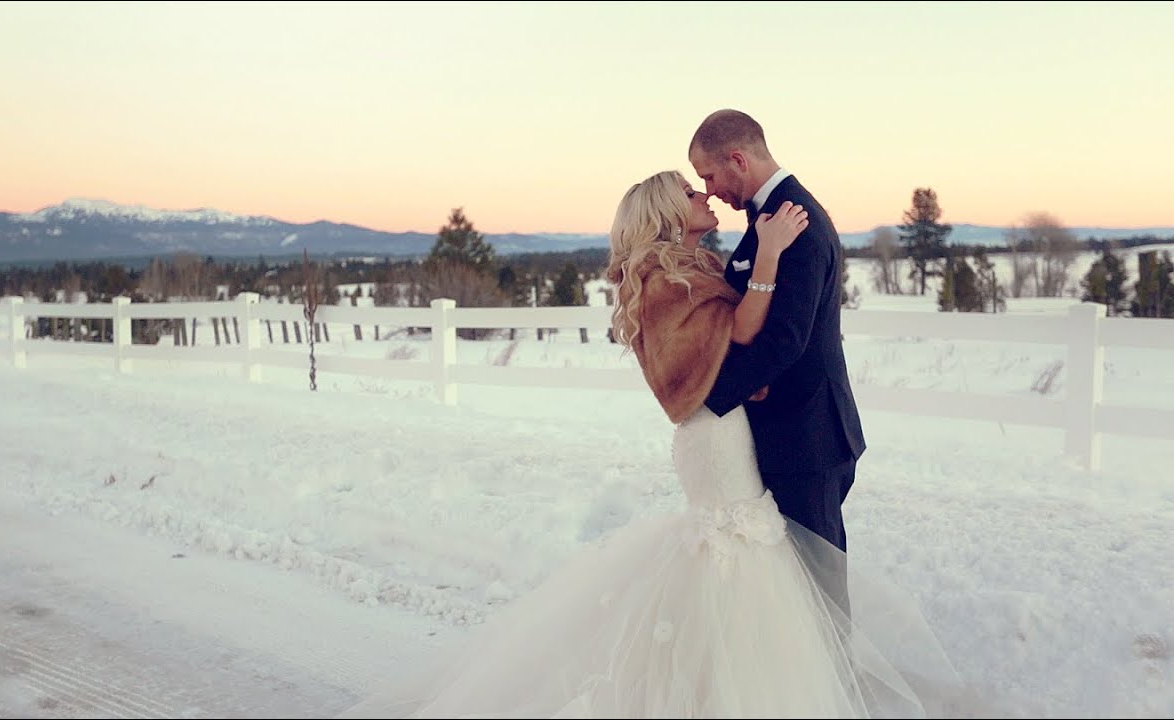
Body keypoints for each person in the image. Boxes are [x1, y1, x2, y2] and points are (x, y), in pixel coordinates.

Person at [336, 171, 959, 719]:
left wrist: (748, 377)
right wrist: (768, 255)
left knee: (741, 556)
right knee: (736, 550)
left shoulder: (690, 267)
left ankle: (732, 685)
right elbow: (739, 329)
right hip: (713, 437)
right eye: (692, 192)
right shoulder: (663, 276)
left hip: (725, 426)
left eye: (703, 184)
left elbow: (721, 347)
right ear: (667, 212)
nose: (705, 194)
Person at [689, 109, 866, 612]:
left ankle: (833, 688)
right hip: (791, 430)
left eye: (710, 175)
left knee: (820, 584)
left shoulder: (797, 221)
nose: (710, 188)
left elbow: (787, 338)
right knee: (793, 583)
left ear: (738, 159)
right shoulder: (771, 219)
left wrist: (711, 392)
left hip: (809, 434)